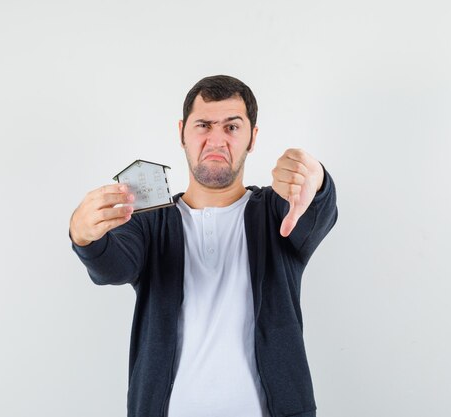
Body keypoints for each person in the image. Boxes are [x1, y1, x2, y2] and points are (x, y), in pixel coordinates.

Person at [69, 75, 338, 417]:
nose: (216, 140)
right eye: (204, 125)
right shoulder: (149, 222)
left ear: (252, 138)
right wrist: (84, 235)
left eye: (231, 127)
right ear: (182, 132)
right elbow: (113, 266)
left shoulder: (276, 211)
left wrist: (316, 181)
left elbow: (318, 211)